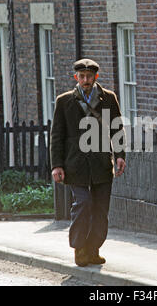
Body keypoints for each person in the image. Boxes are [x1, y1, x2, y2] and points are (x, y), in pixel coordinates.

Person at [50, 58, 126, 267]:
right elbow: (57, 135)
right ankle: (79, 248)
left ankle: (93, 249)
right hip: (75, 164)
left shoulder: (108, 99)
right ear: (76, 77)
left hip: (101, 163)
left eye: (89, 76)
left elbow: (117, 129)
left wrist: (120, 155)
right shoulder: (64, 101)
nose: (85, 80)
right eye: (81, 76)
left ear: (95, 77)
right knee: (83, 203)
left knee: (101, 209)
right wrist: (57, 165)